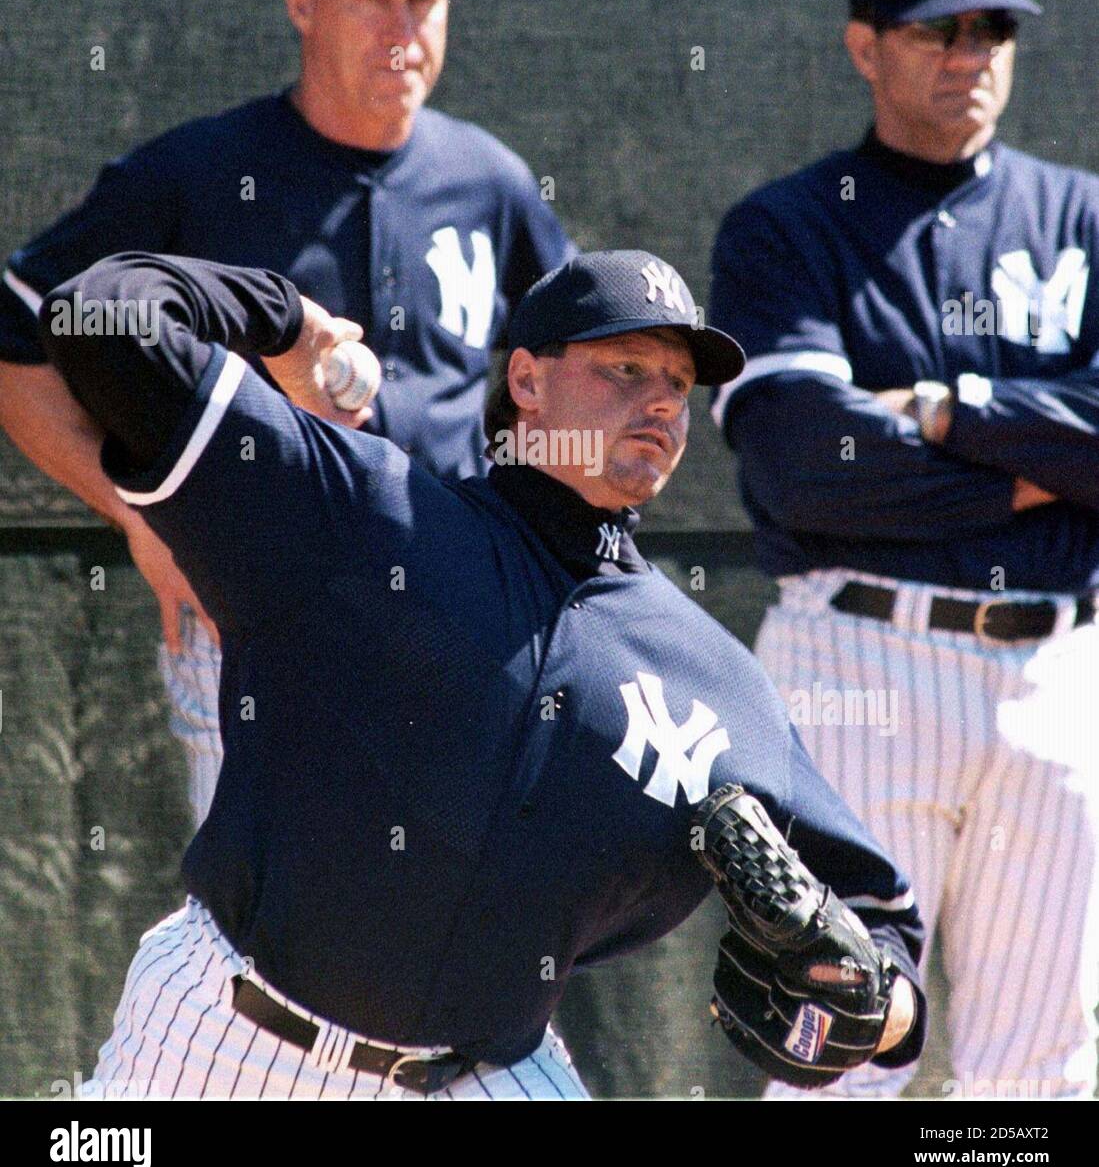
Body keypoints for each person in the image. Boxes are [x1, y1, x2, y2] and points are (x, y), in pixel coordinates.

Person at [40, 247, 924, 1099]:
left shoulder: (714, 680)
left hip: (481, 1073)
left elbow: (881, 929)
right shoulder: (366, 515)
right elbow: (95, 315)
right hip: (221, 1037)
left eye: (679, 387)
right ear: (528, 381)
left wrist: (873, 1004)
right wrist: (284, 322)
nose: (660, 402)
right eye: (625, 368)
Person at [0, 0, 570, 826]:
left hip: (459, 619)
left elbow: (572, 370)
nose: (404, 26)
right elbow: (19, 340)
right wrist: (138, 516)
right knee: (257, 949)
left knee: (444, 952)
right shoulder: (195, 173)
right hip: (257, 614)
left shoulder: (492, 181)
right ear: (301, 3)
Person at [709, 0, 1099, 1099]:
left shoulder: (1082, 216)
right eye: (936, 28)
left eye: (991, 27)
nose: (968, 53)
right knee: (838, 1056)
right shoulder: (785, 227)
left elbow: (871, 451)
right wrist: (1044, 463)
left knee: (1040, 1073)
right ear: (864, 44)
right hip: (861, 662)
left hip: (1059, 671)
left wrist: (943, 408)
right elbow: (801, 461)